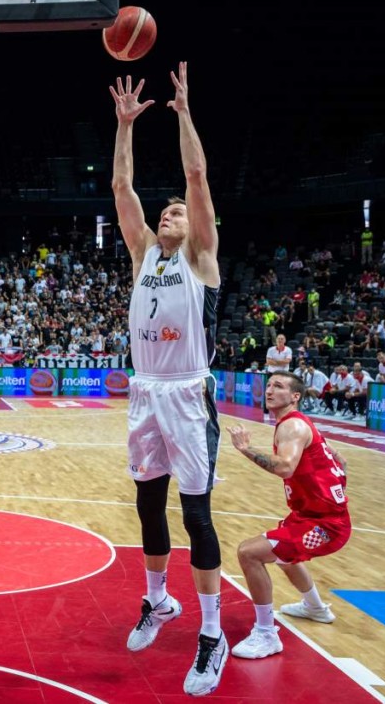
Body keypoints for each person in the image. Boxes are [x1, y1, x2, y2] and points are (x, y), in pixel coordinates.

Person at [110, 63, 228, 696]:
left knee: (196, 516)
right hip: (145, 392)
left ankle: (213, 633)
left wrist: (182, 113)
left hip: (186, 391)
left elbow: (196, 176)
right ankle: (159, 600)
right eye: (167, 212)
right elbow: (122, 185)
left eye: (179, 213)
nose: (171, 213)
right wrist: (125, 126)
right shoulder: (141, 257)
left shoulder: (201, 260)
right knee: (147, 505)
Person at [226, 372, 350, 659]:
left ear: (295, 396)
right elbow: (340, 460)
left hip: (326, 524)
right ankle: (315, 608)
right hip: (310, 515)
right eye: (268, 385)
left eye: (278, 387)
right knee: (283, 555)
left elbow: (284, 468)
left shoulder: (292, 426)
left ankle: (267, 634)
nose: (270, 390)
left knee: (249, 553)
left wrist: (245, 449)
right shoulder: (300, 424)